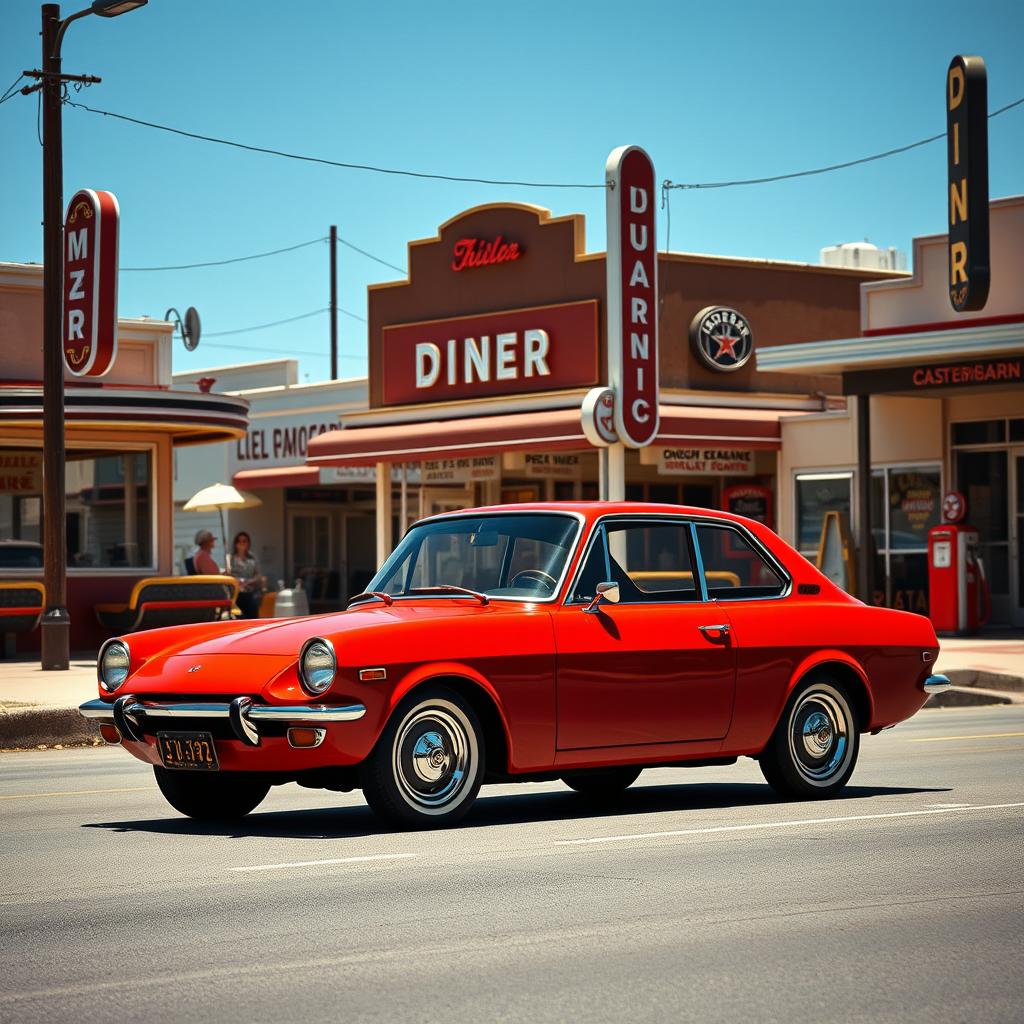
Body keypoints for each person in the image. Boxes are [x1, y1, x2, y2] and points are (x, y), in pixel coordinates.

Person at [226, 531, 265, 618]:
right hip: (236, 593)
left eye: (244, 541)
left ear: (248, 543)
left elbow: (258, 575)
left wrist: (248, 581)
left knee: (252, 608)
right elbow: (228, 574)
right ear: (235, 543)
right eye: (239, 541)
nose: (242, 543)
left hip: (250, 591)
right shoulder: (230, 557)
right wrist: (237, 581)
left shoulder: (252, 558)